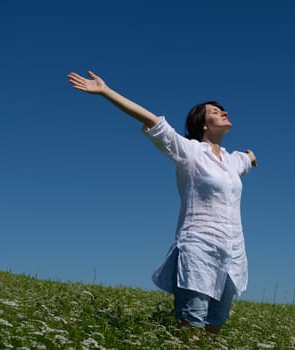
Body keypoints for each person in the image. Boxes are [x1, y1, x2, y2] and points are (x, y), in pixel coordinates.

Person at [67, 71, 257, 335]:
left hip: (233, 253)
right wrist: (105, 91)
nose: (223, 112)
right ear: (203, 124)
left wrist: (250, 155)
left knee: (215, 327)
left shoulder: (232, 161)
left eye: (223, 109)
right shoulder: (188, 151)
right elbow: (151, 119)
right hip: (199, 247)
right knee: (192, 326)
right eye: (215, 111)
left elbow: (246, 159)